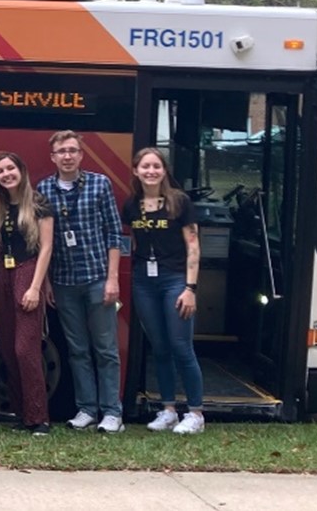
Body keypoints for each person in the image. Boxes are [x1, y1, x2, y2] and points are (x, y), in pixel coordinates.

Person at [37, 130, 125, 433]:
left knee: (105, 348)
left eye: (73, 150)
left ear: (81, 154)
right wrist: (46, 281)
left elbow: (115, 234)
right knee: (77, 349)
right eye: (61, 151)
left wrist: (113, 279)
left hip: (97, 278)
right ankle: (87, 409)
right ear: (53, 157)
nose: (67, 156)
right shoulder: (44, 189)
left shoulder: (100, 184)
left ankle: (112, 412)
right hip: (63, 281)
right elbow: (41, 242)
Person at [124, 147, 206, 434]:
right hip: (144, 283)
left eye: (156, 166)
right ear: (136, 171)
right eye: (145, 167)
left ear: (164, 170)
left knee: (181, 346)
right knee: (159, 348)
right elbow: (132, 241)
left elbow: (193, 246)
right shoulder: (132, 205)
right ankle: (169, 409)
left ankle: (195, 413)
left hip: (175, 281)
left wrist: (190, 288)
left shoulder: (180, 202)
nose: (150, 171)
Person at [0, 151, 55, 435]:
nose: (6, 175)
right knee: (7, 348)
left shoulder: (39, 204)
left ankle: (40, 418)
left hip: (28, 273)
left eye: (10, 168)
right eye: (1, 171)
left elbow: (47, 247)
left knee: (25, 349)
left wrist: (36, 287)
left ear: (21, 170)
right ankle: (22, 413)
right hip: (3, 275)